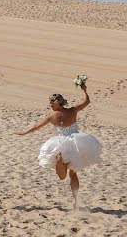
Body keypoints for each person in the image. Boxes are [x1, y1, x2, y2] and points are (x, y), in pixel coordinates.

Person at [16, 81, 101, 209]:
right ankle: (76, 199)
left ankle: (61, 164)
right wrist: (84, 90)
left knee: (62, 174)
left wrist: (23, 133)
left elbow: (36, 127)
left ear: (56, 103)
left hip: (61, 144)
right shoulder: (72, 111)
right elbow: (86, 102)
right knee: (73, 174)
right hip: (76, 143)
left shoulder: (52, 116)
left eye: (51, 103)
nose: (49, 105)